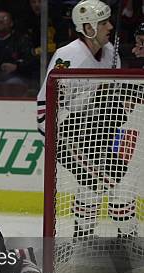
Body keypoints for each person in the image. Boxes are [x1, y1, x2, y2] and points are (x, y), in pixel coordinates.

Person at [36, 0, 142, 242]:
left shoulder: (110, 55)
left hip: (95, 134)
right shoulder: (69, 56)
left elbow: (112, 101)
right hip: (64, 134)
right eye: (104, 23)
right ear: (89, 27)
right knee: (118, 185)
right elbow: (45, 108)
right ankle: (130, 241)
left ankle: (82, 240)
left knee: (91, 187)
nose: (110, 27)